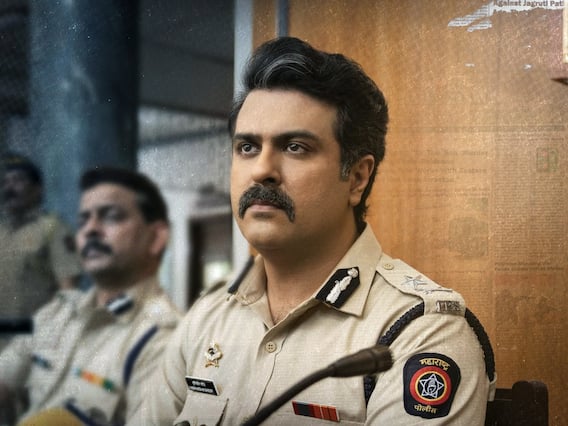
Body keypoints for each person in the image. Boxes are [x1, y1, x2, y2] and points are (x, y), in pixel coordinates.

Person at [131, 37, 496, 425]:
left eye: (295, 147)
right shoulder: (208, 319)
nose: (262, 170)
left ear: (356, 178)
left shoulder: (420, 331)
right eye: (247, 148)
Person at [0, 167, 181, 425]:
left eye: (112, 216)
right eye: (83, 220)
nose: (91, 229)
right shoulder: (57, 313)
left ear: (156, 237)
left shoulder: (166, 340)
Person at [0, 153, 81, 321]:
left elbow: (68, 291)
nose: (9, 188)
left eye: (18, 180)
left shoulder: (54, 228)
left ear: (38, 190)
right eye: (5, 182)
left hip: (35, 333)